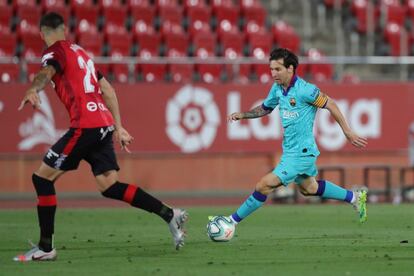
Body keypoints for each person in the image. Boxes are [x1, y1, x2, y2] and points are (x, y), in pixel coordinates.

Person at [14, 12, 188, 262]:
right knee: (110, 186)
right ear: (64, 28)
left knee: (41, 178)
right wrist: (118, 127)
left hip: (85, 125)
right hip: (103, 124)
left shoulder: (55, 52)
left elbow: (47, 72)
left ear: (42, 33)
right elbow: (107, 89)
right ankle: (169, 214)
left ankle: (45, 247)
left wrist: (32, 88)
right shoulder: (82, 54)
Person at [219, 48, 368, 232]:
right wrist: (243, 114)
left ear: (290, 68)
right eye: (271, 69)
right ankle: (354, 197)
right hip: (291, 151)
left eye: (278, 69)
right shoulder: (277, 89)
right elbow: (265, 108)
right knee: (309, 189)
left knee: (263, 185)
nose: (273, 74)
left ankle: (230, 222)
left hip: (301, 153)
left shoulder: (306, 90)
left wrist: (348, 131)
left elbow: (331, 104)